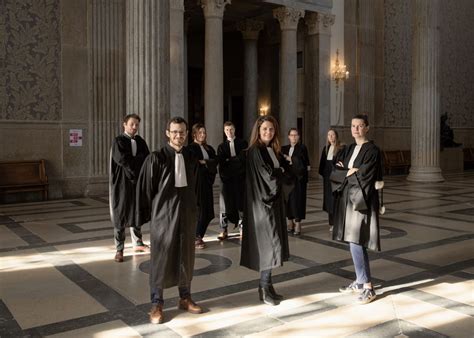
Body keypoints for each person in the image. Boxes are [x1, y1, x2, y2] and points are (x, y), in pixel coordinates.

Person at [136, 117, 203, 324]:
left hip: (186, 215)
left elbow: (197, 187)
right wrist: (153, 214)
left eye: (182, 132)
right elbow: (146, 189)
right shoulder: (157, 158)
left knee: (186, 256)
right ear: (167, 133)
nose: (178, 136)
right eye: (175, 132)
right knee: (161, 260)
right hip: (163, 217)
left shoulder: (191, 157)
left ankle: (185, 297)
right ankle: (157, 303)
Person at [330, 114, 384, 305]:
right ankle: (360, 281)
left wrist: (347, 172)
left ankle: (368, 287)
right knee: (353, 241)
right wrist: (349, 171)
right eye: (353, 126)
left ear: (367, 128)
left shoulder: (373, 150)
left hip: (361, 200)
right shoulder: (349, 148)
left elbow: (366, 175)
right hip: (347, 200)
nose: (356, 129)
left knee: (356, 241)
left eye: (360, 126)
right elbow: (336, 170)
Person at [241, 116, 292, 306]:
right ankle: (264, 288)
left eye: (271, 129)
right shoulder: (256, 151)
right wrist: (282, 172)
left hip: (274, 204)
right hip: (264, 206)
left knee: (272, 246)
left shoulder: (272, 150)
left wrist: (283, 171)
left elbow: (285, 172)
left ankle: (268, 286)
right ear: (258, 131)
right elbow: (268, 177)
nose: (268, 133)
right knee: (269, 246)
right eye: (264, 129)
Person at [109, 113, 150, 263]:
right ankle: (119, 249)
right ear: (124, 125)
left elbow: (147, 157)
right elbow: (122, 159)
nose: (134, 127)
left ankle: (137, 242)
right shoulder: (118, 141)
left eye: (137, 125)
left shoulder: (140, 141)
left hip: (137, 182)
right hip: (122, 182)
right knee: (120, 212)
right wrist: (136, 163)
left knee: (136, 210)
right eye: (132, 124)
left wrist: (136, 162)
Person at [187, 123, 217, 249]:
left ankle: (199, 235)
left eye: (204, 133)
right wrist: (207, 164)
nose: (203, 135)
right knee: (199, 210)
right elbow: (193, 165)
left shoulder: (209, 148)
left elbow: (215, 161)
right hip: (197, 184)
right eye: (200, 133)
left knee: (208, 210)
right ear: (194, 134)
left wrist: (205, 163)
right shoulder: (190, 149)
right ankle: (196, 236)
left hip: (207, 183)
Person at [216, 121, 248, 240]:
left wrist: (230, 160)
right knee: (224, 205)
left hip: (240, 178)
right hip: (226, 179)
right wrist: (235, 160)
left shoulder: (243, 143)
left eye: (231, 129)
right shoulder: (221, 147)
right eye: (227, 130)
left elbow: (243, 159)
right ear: (224, 132)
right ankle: (223, 230)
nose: (229, 132)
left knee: (240, 204)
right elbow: (222, 163)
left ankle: (242, 228)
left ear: (235, 130)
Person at [282, 128, 310, 236]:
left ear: (299, 137)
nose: (293, 137)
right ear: (288, 136)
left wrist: (290, 159)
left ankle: (297, 223)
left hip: (298, 179)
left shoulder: (302, 148)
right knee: (288, 200)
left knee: (297, 201)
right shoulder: (284, 148)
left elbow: (303, 163)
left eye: (296, 135)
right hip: (287, 179)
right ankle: (290, 221)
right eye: (291, 135)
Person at [318, 129, 345, 232]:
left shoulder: (341, 148)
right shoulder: (326, 148)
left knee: (336, 200)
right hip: (327, 179)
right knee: (329, 201)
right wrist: (325, 174)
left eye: (332, 134)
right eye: (329, 135)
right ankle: (332, 223)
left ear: (336, 136)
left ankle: (339, 222)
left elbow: (341, 163)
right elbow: (322, 164)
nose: (331, 137)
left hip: (336, 178)